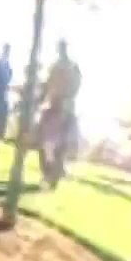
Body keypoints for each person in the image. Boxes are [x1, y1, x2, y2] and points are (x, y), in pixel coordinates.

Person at [37, 39, 81, 189]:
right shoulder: (66, 67)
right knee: (51, 144)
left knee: (53, 144)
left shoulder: (65, 67)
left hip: (61, 107)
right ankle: (50, 175)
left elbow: (52, 85)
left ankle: (51, 175)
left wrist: (51, 96)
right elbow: (48, 85)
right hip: (59, 107)